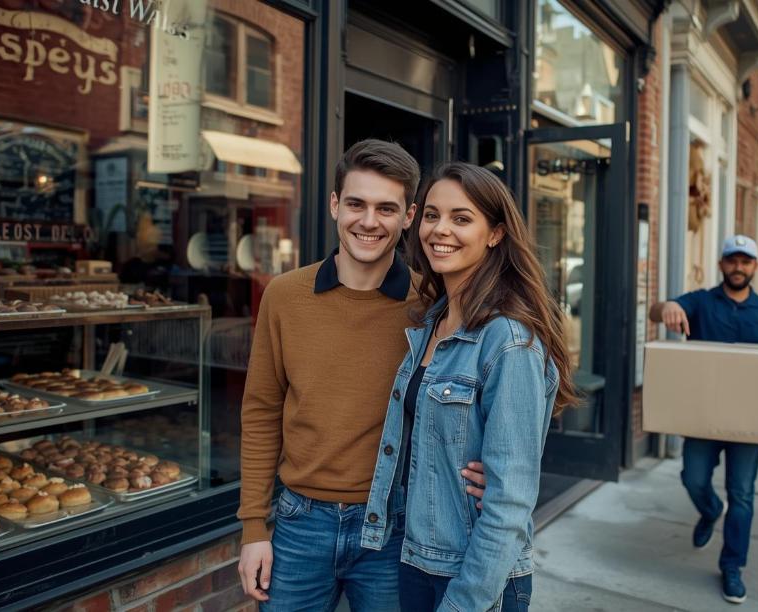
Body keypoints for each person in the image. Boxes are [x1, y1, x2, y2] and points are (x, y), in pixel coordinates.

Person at [236, 140, 485, 611]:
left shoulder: (432, 305)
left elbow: (484, 393)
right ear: (335, 205)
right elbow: (261, 411)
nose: (368, 221)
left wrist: (494, 464)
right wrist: (253, 527)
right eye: (356, 204)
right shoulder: (285, 296)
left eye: (386, 208)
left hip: (394, 527)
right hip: (298, 522)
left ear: (409, 216)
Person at [362, 162, 577, 611]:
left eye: (462, 218)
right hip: (417, 558)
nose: (441, 230)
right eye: (433, 215)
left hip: (475, 577)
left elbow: (510, 502)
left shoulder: (509, 339)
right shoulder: (431, 321)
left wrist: (463, 603)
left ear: (495, 233)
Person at [648, 235, 758, 604]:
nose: (738, 267)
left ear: (755, 267)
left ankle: (733, 567)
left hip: (749, 420)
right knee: (693, 477)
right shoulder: (700, 302)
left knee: (742, 495)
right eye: (732, 260)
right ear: (721, 264)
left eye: (746, 261)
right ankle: (710, 510)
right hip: (704, 416)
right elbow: (655, 311)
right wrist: (666, 306)